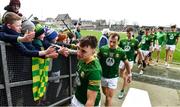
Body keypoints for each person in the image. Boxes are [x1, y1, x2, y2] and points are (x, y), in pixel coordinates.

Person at [98, 33, 132, 106]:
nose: (112, 43)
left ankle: (107, 103)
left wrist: (129, 74)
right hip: (103, 76)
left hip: (113, 77)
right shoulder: (102, 49)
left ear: (118, 42)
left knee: (109, 98)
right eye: (110, 41)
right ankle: (107, 102)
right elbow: (97, 60)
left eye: (114, 42)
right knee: (105, 94)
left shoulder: (121, 51)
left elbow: (126, 63)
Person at [71, 36, 102, 106]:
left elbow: (91, 101)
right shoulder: (83, 58)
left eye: (83, 51)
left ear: (93, 51)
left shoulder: (94, 71)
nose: (78, 53)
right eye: (78, 48)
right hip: (77, 97)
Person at [118, 27, 143, 99]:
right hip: (122, 60)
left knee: (125, 75)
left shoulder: (135, 41)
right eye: (127, 33)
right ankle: (130, 75)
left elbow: (139, 51)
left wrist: (141, 60)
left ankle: (122, 91)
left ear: (132, 33)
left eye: (130, 33)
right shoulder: (122, 40)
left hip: (130, 60)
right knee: (121, 74)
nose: (128, 34)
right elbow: (118, 49)